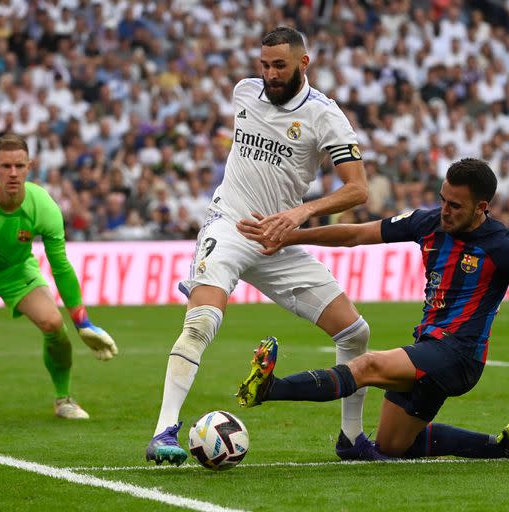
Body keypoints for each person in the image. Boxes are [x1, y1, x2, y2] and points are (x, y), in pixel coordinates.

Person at [236, 158, 509, 460]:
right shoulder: (428, 223)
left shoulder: (505, 246)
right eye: (443, 199)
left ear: (482, 207)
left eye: (455, 205)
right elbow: (355, 235)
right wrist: (290, 236)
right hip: (429, 346)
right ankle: (504, 446)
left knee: (368, 365)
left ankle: (269, 389)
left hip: (459, 356)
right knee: (393, 446)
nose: (445, 210)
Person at [145, 27, 370, 465]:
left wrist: (300, 213)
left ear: (304, 63)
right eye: (264, 65)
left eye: (279, 65)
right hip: (229, 226)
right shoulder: (243, 93)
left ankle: (351, 437)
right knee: (201, 322)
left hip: (278, 239)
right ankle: (164, 431)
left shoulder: (325, 116)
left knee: (355, 332)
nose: (269, 74)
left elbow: (357, 189)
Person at [0, 133, 118, 419]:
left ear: (30, 166)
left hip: (16, 269)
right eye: (6, 166)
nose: (13, 173)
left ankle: (64, 401)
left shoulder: (44, 206)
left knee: (54, 325)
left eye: (19, 166)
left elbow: (60, 266)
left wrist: (82, 321)